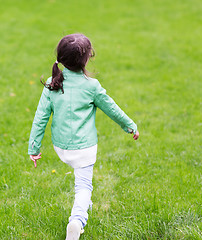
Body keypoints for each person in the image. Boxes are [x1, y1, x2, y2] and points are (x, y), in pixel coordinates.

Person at [28, 33, 139, 240]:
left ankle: (83, 205)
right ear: (88, 58)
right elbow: (112, 109)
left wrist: (34, 148)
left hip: (61, 148)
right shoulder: (91, 86)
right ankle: (77, 221)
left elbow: (40, 118)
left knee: (82, 184)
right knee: (84, 186)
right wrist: (130, 125)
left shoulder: (53, 83)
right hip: (83, 149)